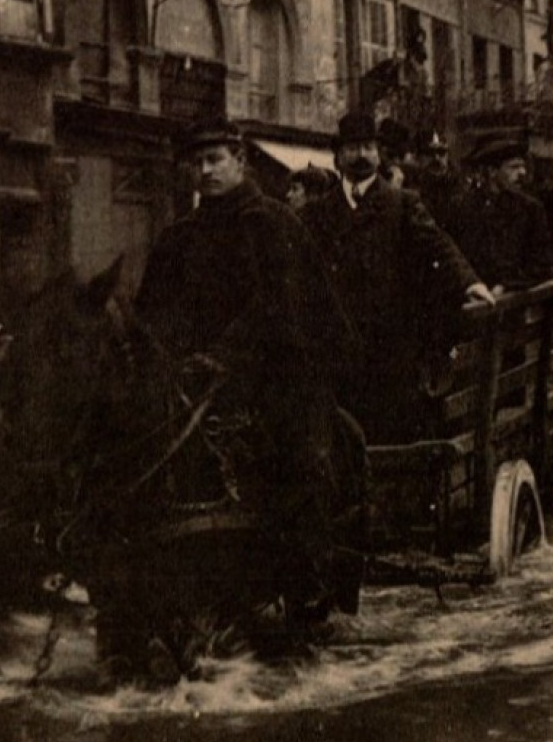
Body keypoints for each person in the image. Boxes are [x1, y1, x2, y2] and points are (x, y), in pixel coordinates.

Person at [133, 116, 362, 606]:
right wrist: (168, 359)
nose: (205, 171)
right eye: (196, 163)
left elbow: (276, 308)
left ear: (240, 161)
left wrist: (224, 357)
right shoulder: (177, 238)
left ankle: (309, 579)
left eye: (215, 159)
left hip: (278, 375)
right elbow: (152, 314)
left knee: (301, 457)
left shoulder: (274, 224)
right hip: (195, 383)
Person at [301, 111, 493, 443]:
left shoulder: (401, 204)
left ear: (378, 154)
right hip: (337, 351)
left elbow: (438, 244)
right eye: (352, 148)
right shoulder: (318, 212)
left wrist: (470, 282)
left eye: (368, 148)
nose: (361, 156)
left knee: (392, 437)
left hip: (389, 352)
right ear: (338, 156)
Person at [459, 135, 553, 293]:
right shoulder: (467, 207)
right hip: (474, 297)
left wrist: (506, 285)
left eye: (523, 166)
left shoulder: (531, 209)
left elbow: (541, 266)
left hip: (513, 300)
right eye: (514, 167)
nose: (522, 172)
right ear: (492, 172)